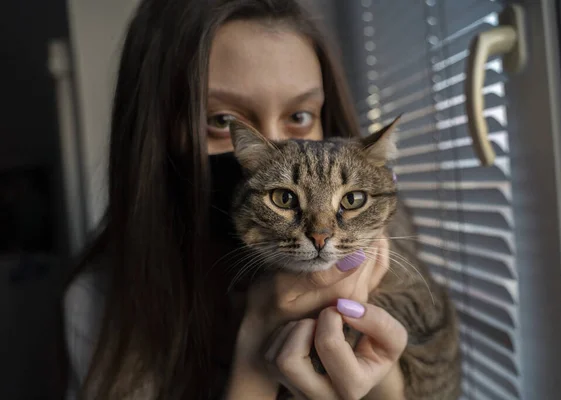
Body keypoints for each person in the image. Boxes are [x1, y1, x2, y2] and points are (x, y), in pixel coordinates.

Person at [62, 0, 408, 399]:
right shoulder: (97, 304)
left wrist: (385, 378)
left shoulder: (381, 234)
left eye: (299, 116)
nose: (269, 146)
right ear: (156, 132)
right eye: (223, 121)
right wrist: (255, 351)